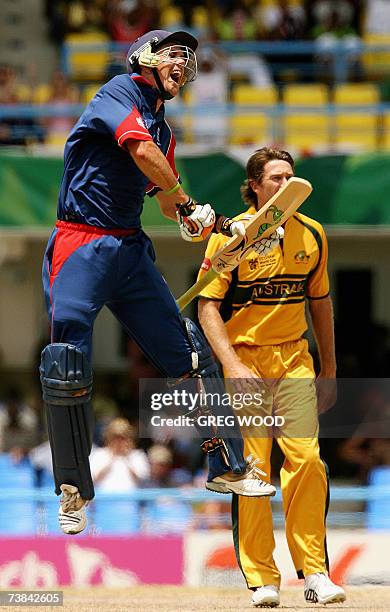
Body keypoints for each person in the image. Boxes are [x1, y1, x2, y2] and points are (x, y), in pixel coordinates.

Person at [39, 30, 278, 536]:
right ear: (145, 58)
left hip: (128, 248)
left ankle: (228, 467)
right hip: (81, 243)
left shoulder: (165, 132)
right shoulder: (118, 92)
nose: (183, 63)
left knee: (189, 353)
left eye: (187, 57)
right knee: (66, 361)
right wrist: (186, 202)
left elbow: (170, 201)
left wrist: (212, 227)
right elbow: (145, 158)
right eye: (174, 53)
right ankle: (73, 488)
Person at [197, 147, 346, 607]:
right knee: (254, 472)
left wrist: (330, 367)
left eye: (290, 176)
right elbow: (206, 307)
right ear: (255, 186)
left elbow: (319, 303)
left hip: (295, 360)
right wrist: (232, 364)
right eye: (276, 178)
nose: (285, 185)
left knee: (307, 461)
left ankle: (316, 574)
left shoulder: (313, 235)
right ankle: (263, 578)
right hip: (246, 362)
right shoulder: (231, 237)